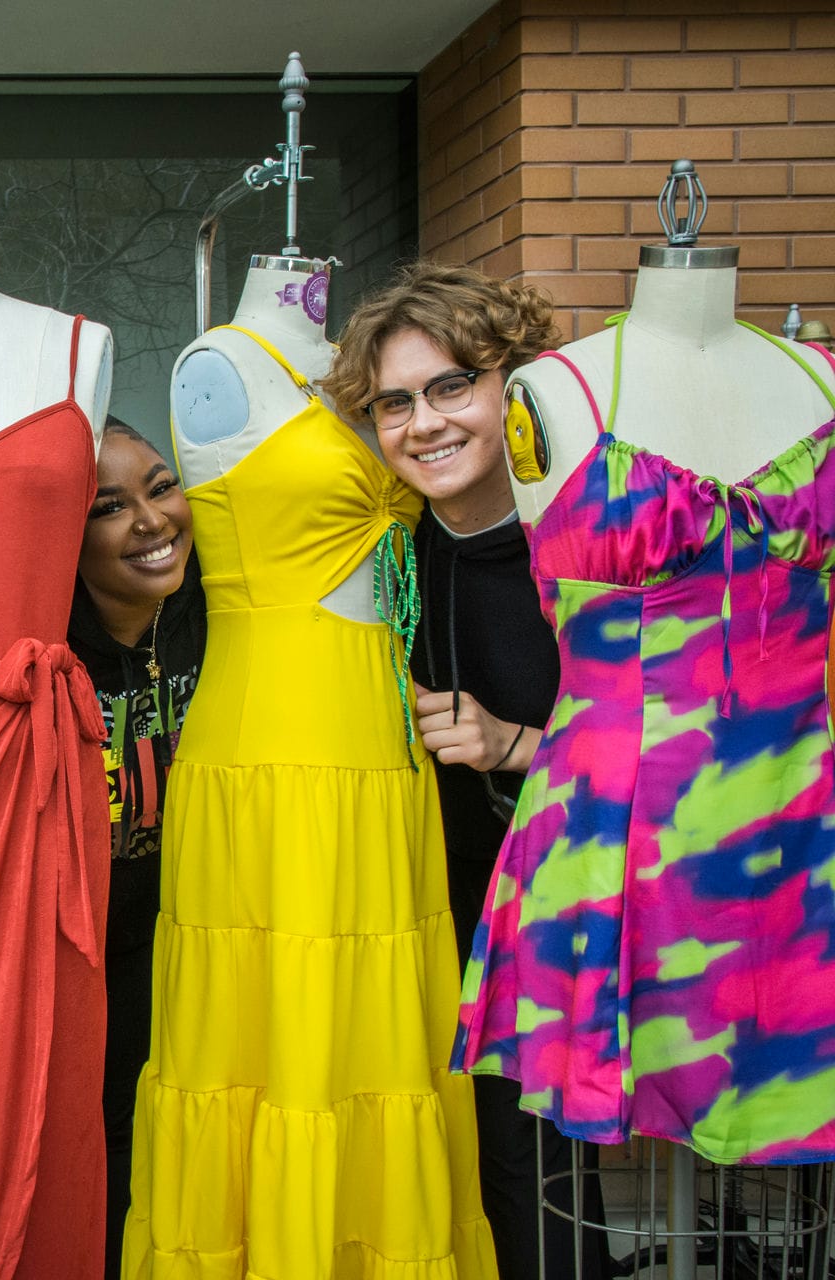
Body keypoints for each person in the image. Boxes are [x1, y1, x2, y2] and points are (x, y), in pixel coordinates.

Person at [323, 259, 609, 1279]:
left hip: (555, 931)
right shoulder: (387, 553)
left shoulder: (588, 544)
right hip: (416, 921)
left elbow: (666, 749)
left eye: (453, 386)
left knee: (533, 1185)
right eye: (395, 401)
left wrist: (516, 744)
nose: (424, 423)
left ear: (512, 387)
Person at [65, 421, 203, 1279]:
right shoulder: (49, 642)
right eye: (109, 507)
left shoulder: (223, 609)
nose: (151, 520)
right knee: (109, 1136)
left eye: (160, 486)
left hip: (199, 926)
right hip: (89, 945)